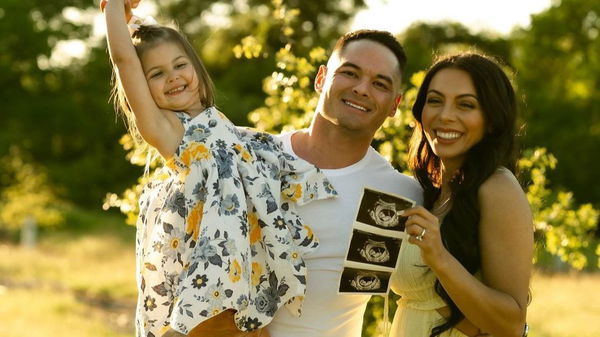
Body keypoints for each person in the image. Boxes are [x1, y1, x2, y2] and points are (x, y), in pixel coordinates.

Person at [102, 1, 338, 336]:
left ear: (196, 68)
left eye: (179, 65)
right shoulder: (169, 130)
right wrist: (113, 9)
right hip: (207, 306)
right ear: (142, 88)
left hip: (247, 303)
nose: (172, 77)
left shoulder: (227, 129)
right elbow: (124, 61)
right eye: (156, 74)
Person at [265, 30, 423, 337]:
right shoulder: (255, 157)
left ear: (395, 104)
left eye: (380, 84)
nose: (362, 89)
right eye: (349, 73)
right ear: (321, 78)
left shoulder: (401, 197)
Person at [390, 52, 533, 337]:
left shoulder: (497, 188)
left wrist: (440, 258)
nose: (445, 116)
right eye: (435, 101)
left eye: (466, 105)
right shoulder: (431, 192)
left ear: (491, 119)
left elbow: (511, 325)